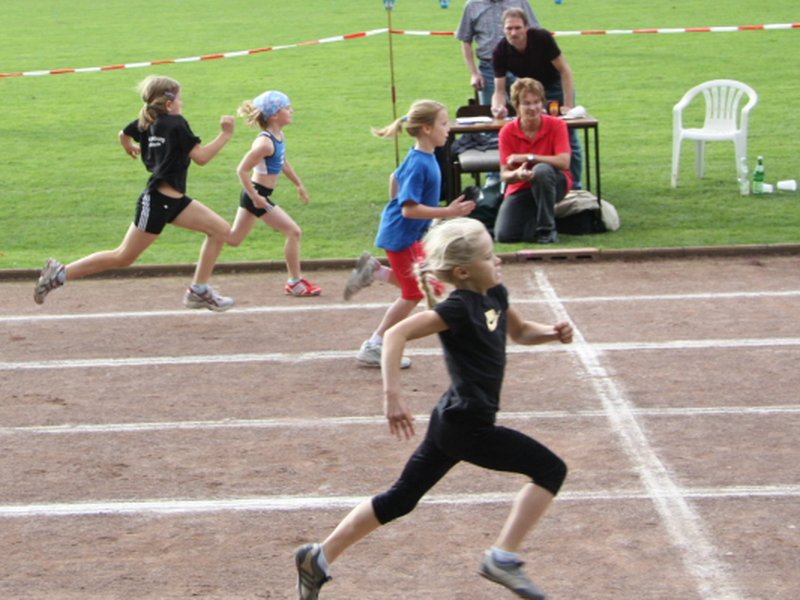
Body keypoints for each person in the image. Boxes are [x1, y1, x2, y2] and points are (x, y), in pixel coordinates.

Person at [295, 217, 572, 600]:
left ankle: (318, 557)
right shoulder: (458, 308)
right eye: (489, 256)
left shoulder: (496, 294)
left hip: (452, 420)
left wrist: (551, 334)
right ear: (463, 271)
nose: (498, 261)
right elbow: (396, 333)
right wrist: (392, 394)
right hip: (469, 426)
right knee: (550, 469)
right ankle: (502, 558)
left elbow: (520, 331)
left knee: (401, 498)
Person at [33, 75, 235, 311]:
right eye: (180, 99)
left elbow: (123, 133)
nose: (182, 103)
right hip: (158, 202)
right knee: (123, 256)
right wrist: (225, 134)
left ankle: (198, 291)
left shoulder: (146, 121)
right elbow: (201, 157)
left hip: (176, 202)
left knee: (220, 230)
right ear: (169, 103)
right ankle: (59, 274)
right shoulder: (176, 123)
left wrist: (129, 146)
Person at [342, 100, 476, 369]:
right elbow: (409, 209)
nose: (448, 129)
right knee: (414, 293)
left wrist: (410, 208)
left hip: (406, 234)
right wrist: (448, 212)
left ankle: (374, 271)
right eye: (443, 124)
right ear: (427, 128)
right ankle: (374, 345)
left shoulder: (422, 156)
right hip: (402, 236)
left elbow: (395, 178)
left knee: (431, 286)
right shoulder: (420, 163)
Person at [227, 90, 321, 297]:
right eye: (287, 108)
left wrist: (299, 184)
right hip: (257, 195)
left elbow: (283, 162)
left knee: (234, 239)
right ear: (274, 115)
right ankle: (294, 282)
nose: (292, 110)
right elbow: (241, 170)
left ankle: (210, 230)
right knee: (294, 232)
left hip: (257, 196)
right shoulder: (264, 143)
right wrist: (256, 197)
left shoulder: (278, 136)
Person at [490, 7, 583, 189]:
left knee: (569, 134)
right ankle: (523, 182)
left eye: (518, 28)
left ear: (526, 27)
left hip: (554, 86)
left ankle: (575, 186)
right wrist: (497, 107)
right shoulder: (500, 51)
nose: (513, 33)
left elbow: (565, 70)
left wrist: (568, 105)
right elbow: (499, 90)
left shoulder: (542, 38)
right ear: (503, 29)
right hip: (528, 89)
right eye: (509, 28)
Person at [495, 77, 571, 244]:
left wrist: (530, 157)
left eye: (537, 102)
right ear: (517, 106)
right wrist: (517, 174)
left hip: (554, 181)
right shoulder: (507, 132)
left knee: (541, 170)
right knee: (504, 235)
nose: (533, 108)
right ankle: (543, 222)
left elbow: (564, 162)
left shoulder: (557, 125)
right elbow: (504, 175)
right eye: (527, 103)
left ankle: (547, 230)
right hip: (522, 186)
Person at [456, 0, 541, 106]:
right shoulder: (473, 5)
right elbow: (465, 39)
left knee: (526, 106)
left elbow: (535, 33)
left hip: (519, 66)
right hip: (488, 69)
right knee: (491, 110)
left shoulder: (520, 2)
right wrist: (474, 73)